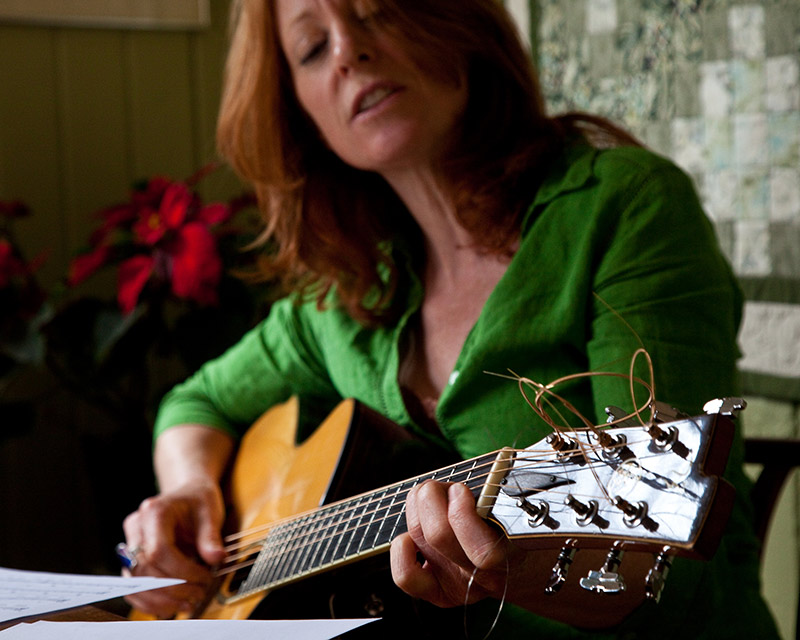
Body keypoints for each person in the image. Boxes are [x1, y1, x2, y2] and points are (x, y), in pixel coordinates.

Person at [121, 0, 779, 637]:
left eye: (377, 11)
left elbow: (664, 580)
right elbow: (195, 402)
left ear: (453, 16)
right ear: (299, 112)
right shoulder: (348, 292)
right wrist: (189, 491)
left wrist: (513, 574)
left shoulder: (624, 209)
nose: (349, 52)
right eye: (312, 48)